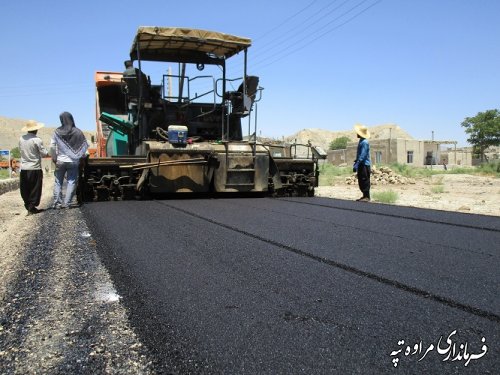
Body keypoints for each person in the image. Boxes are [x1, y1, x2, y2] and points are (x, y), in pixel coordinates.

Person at [50, 112, 89, 209]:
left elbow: (52, 146)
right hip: (73, 162)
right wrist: (81, 158)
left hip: (60, 161)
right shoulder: (78, 132)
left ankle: (57, 204)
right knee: (71, 181)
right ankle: (67, 204)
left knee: (58, 182)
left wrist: (54, 158)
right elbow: (84, 148)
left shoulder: (57, 132)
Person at [19, 120, 49, 214]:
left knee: (25, 188)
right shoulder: (37, 140)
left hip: (24, 168)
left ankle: (28, 206)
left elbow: (21, 151)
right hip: (34, 168)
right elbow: (44, 154)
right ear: (36, 130)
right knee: (35, 188)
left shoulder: (21, 139)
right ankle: (32, 207)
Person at [353, 124, 371, 202]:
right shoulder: (361, 141)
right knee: (361, 180)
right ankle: (364, 196)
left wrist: (358, 162)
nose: (357, 134)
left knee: (364, 180)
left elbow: (363, 154)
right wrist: (356, 161)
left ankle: (367, 197)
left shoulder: (364, 142)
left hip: (364, 165)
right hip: (361, 163)